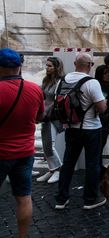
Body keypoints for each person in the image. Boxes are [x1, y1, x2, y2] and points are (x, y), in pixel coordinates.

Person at [0, 48, 45, 238]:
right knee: (24, 198)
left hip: (1, 153)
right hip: (26, 152)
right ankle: (22, 236)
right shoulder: (35, 89)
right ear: (19, 66)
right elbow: (39, 118)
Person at [55, 53, 108, 210]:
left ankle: (61, 199)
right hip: (91, 129)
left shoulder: (62, 81)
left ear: (74, 63)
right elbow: (102, 108)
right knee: (92, 164)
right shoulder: (92, 83)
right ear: (90, 65)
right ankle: (90, 199)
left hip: (71, 128)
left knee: (68, 163)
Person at [37, 56, 65, 184]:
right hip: (45, 115)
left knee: (49, 144)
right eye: (46, 65)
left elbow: (58, 100)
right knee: (46, 144)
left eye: (50, 66)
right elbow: (42, 99)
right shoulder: (46, 80)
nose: (47, 68)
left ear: (56, 67)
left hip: (53, 116)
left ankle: (58, 169)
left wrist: (45, 114)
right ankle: (52, 169)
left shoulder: (60, 81)